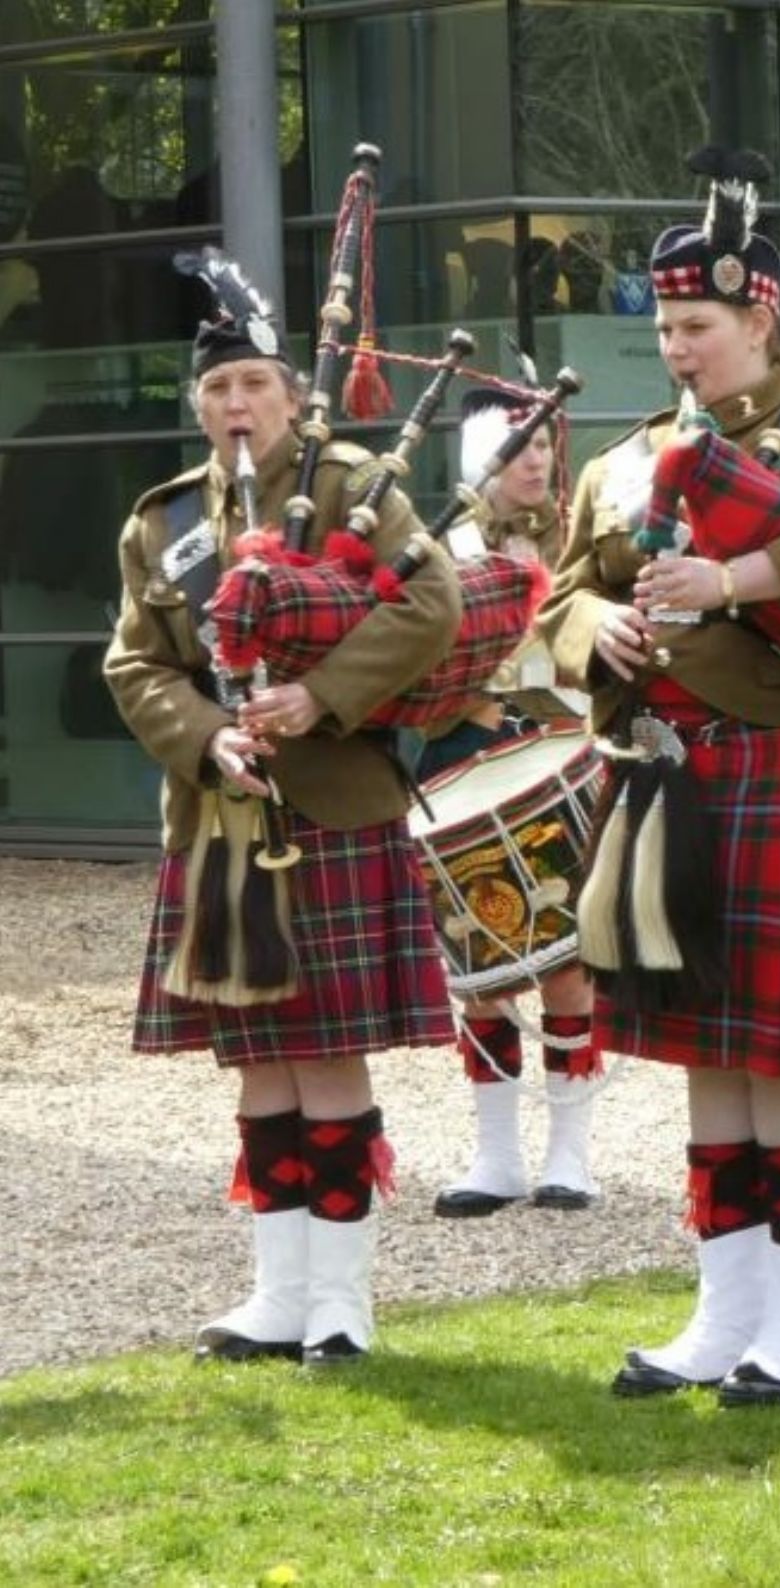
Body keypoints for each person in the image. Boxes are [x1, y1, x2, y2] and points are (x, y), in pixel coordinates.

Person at [536, 147, 780, 1408]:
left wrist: (729, 583)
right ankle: (722, 1313)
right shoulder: (629, 454)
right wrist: (605, 636)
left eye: (697, 326)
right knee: (707, 1055)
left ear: (759, 315)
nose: (677, 349)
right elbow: (559, 597)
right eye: (667, 327)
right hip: (669, 779)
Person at [103, 254, 461, 1366]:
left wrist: (320, 692)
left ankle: (343, 1302)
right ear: (198, 405)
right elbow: (136, 663)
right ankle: (277, 1292)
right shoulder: (160, 525)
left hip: (336, 804)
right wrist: (207, 736)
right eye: (217, 389)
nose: (236, 405)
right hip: (221, 815)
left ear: (293, 398)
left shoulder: (357, 488)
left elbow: (434, 602)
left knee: (330, 1057)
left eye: (255, 382)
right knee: (260, 1059)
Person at [420, 387, 601, 1218]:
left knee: (568, 964)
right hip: (467, 764)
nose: (537, 460)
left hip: (567, 758)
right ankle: (495, 1155)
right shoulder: (438, 547)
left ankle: (570, 1153)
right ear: (481, 460)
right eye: (518, 446)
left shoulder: (581, 544)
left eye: (543, 446)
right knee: (480, 970)